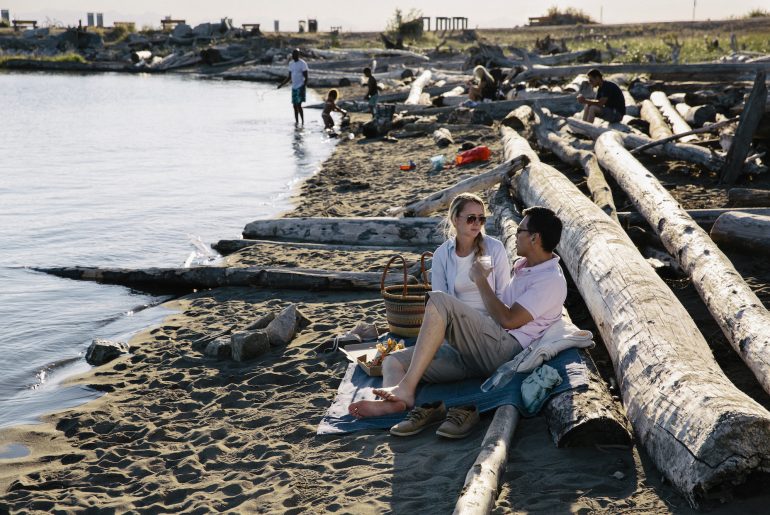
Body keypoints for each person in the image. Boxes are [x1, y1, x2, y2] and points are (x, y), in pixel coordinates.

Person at [349, 206, 567, 419]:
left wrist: (480, 281)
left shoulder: (550, 280)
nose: (515, 234)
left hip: (506, 351)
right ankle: (392, 404)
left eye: (520, 231)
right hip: (482, 347)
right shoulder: (523, 266)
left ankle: (405, 388)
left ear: (534, 238)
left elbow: (508, 320)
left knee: (440, 301)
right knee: (393, 361)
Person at [431, 193, 511, 317]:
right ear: (455, 219)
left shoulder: (494, 248)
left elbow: (504, 295)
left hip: (492, 322)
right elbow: (440, 300)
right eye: (471, 218)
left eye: (481, 218)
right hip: (457, 321)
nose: (477, 223)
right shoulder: (441, 255)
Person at [278, 49, 308, 125]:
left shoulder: (302, 63)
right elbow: (289, 77)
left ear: (298, 55)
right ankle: (297, 122)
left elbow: (306, 77)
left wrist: (304, 86)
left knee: (299, 105)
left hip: (300, 86)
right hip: (294, 87)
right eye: (293, 54)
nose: (294, 56)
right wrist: (281, 84)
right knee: (294, 106)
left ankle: (303, 121)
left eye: (296, 54)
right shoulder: (291, 63)